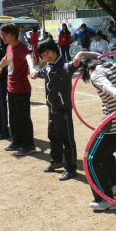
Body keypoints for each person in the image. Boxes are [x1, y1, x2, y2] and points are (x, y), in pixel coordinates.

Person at [75, 51, 116, 210]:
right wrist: (83, 53)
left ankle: (105, 199)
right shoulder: (111, 64)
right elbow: (97, 54)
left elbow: (105, 84)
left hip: (114, 125)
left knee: (90, 158)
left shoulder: (96, 74)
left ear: (87, 71)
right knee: (105, 154)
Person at [33, 38, 79, 180]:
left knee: (67, 139)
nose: (47, 57)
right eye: (43, 55)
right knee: (52, 135)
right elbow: (41, 72)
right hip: (52, 108)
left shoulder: (64, 65)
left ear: (55, 50)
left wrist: (79, 57)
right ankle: (56, 161)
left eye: (48, 52)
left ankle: (70, 168)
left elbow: (72, 66)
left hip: (62, 109)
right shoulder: (48, 66)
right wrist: (34, 73)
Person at [0, 22, 37, 156]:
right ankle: (17, 142)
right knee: (13, 118)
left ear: (14, 34)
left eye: (5, 34)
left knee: (23, 119)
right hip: (11, 89)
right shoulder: (9, 47)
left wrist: (32, 68)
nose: (2, 37)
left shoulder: (21, 47)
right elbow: (6, 59)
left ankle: (29, 145)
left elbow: (28, 57)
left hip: (22, 90)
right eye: (1, 34)